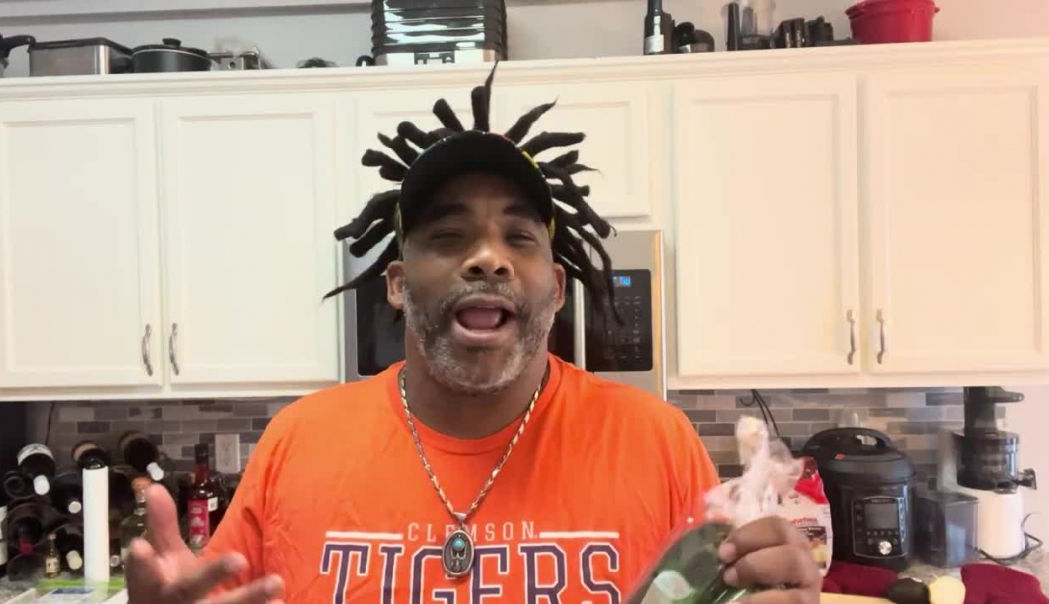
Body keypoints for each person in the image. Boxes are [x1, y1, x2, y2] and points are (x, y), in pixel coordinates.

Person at [126, 67, 820, 604]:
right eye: (450, 235)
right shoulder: (296, 445)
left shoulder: (658, 444)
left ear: (556, 288)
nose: (488, 258)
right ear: (397, 284)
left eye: (519, 236)